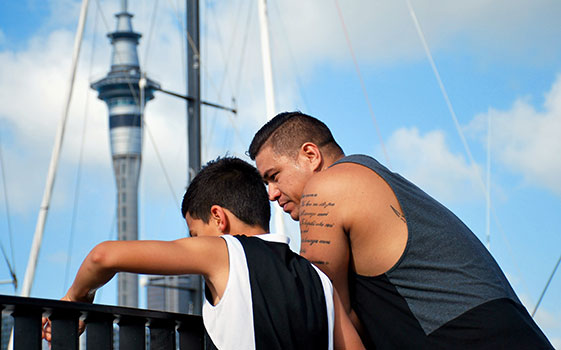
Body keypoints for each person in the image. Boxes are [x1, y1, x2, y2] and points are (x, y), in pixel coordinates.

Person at [248, 111, 553, 349]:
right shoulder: (383, 183)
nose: (272, 194)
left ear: (311, 155)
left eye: (274, 176)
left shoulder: (327, 187)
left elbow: (320, 311)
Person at [42, 157, 364, 350]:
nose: (194, 242)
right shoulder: (319, 280)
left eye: (194, 234)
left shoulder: (224, 251)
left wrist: (74, 299)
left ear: (218, 218)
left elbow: (103, 256)